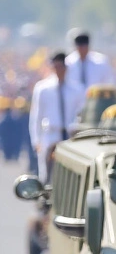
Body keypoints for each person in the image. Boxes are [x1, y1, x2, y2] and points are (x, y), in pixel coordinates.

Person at [29, 51, 86, 182]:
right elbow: (37, 116)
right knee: (46, 174)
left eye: (61, 67)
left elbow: (81, 113)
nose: (59, 70)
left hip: (71, 134)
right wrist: (36, 140)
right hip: (51, 133)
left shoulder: (77, 89)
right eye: (56, 67)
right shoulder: (43, 88)